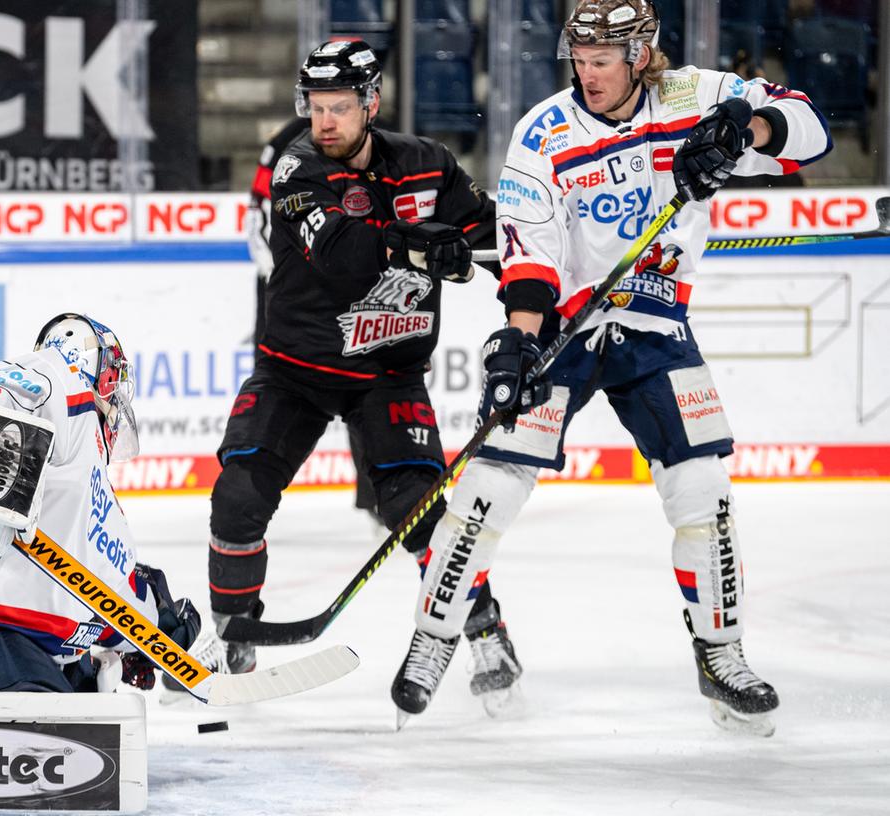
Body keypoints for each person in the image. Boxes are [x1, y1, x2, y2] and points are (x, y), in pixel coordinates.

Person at [394, 0, 831, 735]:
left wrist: (744, 131)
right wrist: (517, 342)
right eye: (579, 59)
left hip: (654, 318)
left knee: (703, 490)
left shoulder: (696, 97)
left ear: (639, 56)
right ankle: (433, 638)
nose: (586, 74)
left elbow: (808, 132)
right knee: (488, 489)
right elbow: (530, 253)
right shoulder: (543, 131)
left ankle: (719, 654)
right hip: (565, 324)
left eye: (601, 61)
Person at [207, 38, 524, 714]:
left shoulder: (426, 164)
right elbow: (349, 259)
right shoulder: (297, 170)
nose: (324, 122)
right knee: (237, 496)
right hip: (294, 370)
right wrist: (424, 244)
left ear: (370, 104)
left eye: (339, 108)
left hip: (387, 374)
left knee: (417, 512)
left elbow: (496, 236)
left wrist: (545, 286)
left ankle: (485, 630)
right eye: (316, 108)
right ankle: (232, 632)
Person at [0, 313, 217, 693]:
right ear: (105, 375)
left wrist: (158, 631)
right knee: (61, 730)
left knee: (90, 702)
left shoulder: (86, 489)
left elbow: (103, 594)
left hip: (20, 641)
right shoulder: (64, 383)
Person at [247, 116, 386, 526]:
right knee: (276, 390)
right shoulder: (286, 139)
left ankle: (380, 496)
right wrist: (288, 275)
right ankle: (250, 498)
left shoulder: (381, 141)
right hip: (287, 290)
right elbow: (256, 215)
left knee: (369, 390)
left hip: (353, 290)